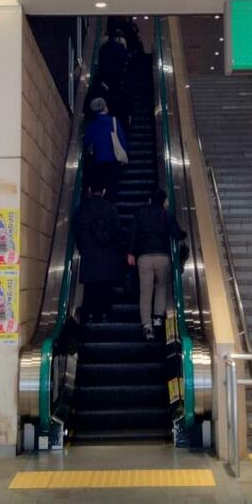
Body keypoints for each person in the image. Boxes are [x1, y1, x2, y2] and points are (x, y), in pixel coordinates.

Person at [127, 188, 186, 341]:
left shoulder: (140, 214)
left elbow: (133, 233)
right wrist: (184, 234)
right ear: (164, 202)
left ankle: (147, 326)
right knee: (161, 288)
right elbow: (177, 234)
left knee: (145, 292)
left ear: (149, 200)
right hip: (162, 257)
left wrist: (131, 252)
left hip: (144, 257)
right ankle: (158, 319)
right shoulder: (167, 215)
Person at [73, 181, 125, 323]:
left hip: (89, 256)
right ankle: (106, 314)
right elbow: (118, 232)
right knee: (106, 287)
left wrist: (82, 247)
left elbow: (76, 232)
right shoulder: (111, 208)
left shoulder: (81, 209)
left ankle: (90, 316)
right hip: (108, 256)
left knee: (90, 288)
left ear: (89, 189)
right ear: (103, 191)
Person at [83, 97, 128, 201]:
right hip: (113, 160)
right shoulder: (113, 121)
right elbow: (122, 139)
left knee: (101, 184)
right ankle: (110, 207)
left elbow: (86, 142)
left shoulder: (92, 125)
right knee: (112, 186)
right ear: (104, 108)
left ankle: (100, 204)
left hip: (98, 161)